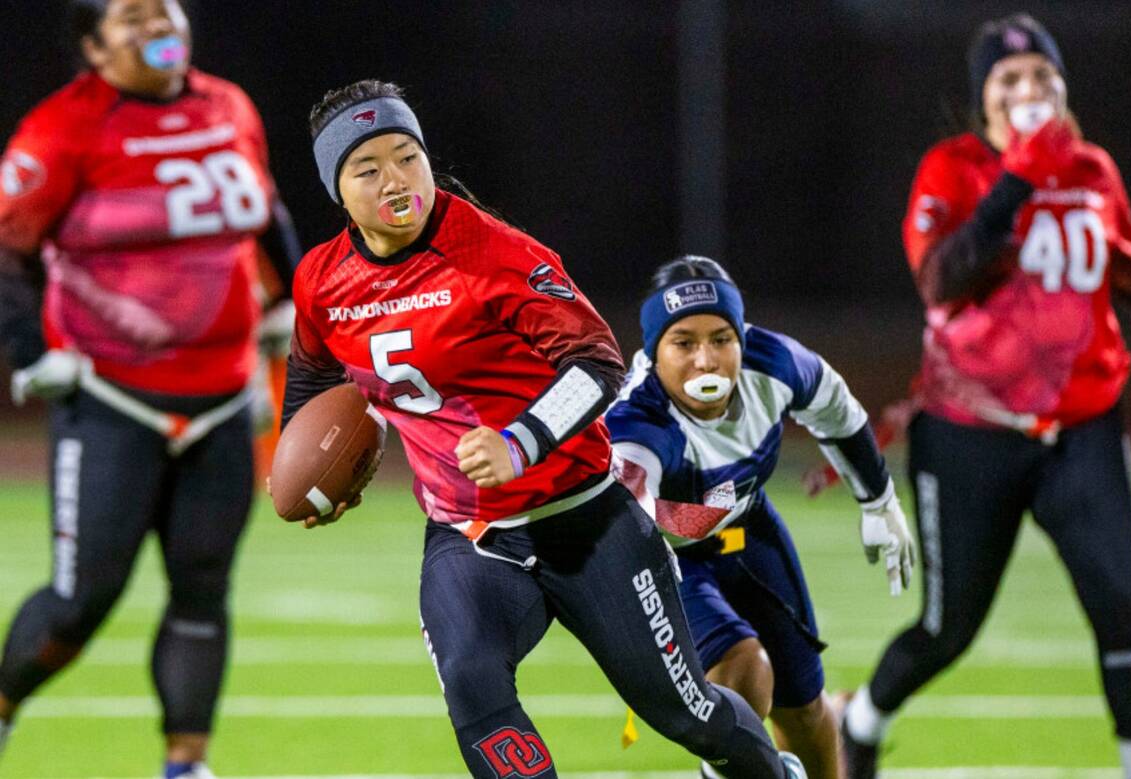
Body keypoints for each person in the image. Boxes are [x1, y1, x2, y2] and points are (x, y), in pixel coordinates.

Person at [282, 77, 811, 778]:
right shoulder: (322, 279)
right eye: (367, 167)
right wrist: (310, 469)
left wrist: (518, 441)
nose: (396, 179)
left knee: (686, 712)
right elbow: (313, 371)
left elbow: (598, 363)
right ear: (336, 191)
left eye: (407, 156)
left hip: (585, 520)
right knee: (473, 681)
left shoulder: (492, 252)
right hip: (469, 537)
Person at [839, 14, 1131, 779]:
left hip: (1080, 427)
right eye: (1010, 80)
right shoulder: (953, 167)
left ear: (1063, 90)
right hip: (969, 431)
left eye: (1043, 75)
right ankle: (863, 719)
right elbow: (941, 281)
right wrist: (1021, 176)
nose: (1030, 89)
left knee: (1119, 603)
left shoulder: (1093, 169)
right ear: (985, 103)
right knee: (948, 628)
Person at [0, 1, 300, 777]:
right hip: (112, 397)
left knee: (203, 586)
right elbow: (6, 245)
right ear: (94, 48)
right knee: (81, 598)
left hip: (225, 395)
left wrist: (287, 296)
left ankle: (186, 763)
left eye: (160, 9)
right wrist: (31, 350)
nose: (154, 25)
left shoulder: (227, 103)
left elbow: (266, 207)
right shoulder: (63, 126)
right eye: (129, 18)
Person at [605, 255, 915, 779]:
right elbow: (632, 522)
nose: (706, 360)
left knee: (807, 709)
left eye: (721, 339)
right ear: (654, 350)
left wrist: (880, 501)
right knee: (744, 676)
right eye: (684, 343)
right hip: (672, 563)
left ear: (741, 338)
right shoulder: (637, 421)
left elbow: (840, 417)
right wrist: (706, 514)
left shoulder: (775, 363)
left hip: (753, 536)